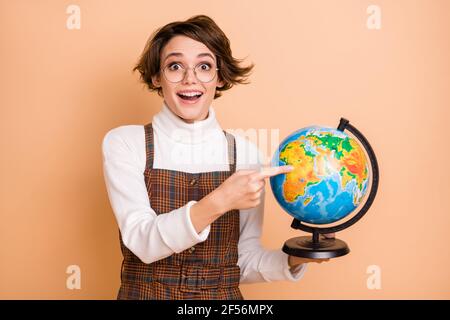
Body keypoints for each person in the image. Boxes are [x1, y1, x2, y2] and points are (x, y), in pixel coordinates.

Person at [102, 14, 330, 300]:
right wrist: (221, 200)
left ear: (220, 77)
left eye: (204, 66)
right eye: (175, 66)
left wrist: (296, 258)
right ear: (156, 77)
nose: (190, 79)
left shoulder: (246, 154)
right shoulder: (126, 142)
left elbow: (241, 262)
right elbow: (142, 242)